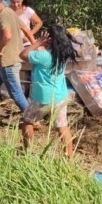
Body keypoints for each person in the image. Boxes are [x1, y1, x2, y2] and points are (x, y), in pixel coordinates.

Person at [19, 25, 76, 155]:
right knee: (62, 127)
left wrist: (38, 42)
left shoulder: (43, 56)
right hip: (60, 96)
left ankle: (27, 151)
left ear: (49, 39)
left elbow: (23, 55)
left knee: (27, 121)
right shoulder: (63, 55)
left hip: (42, 98)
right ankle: (69, 157)